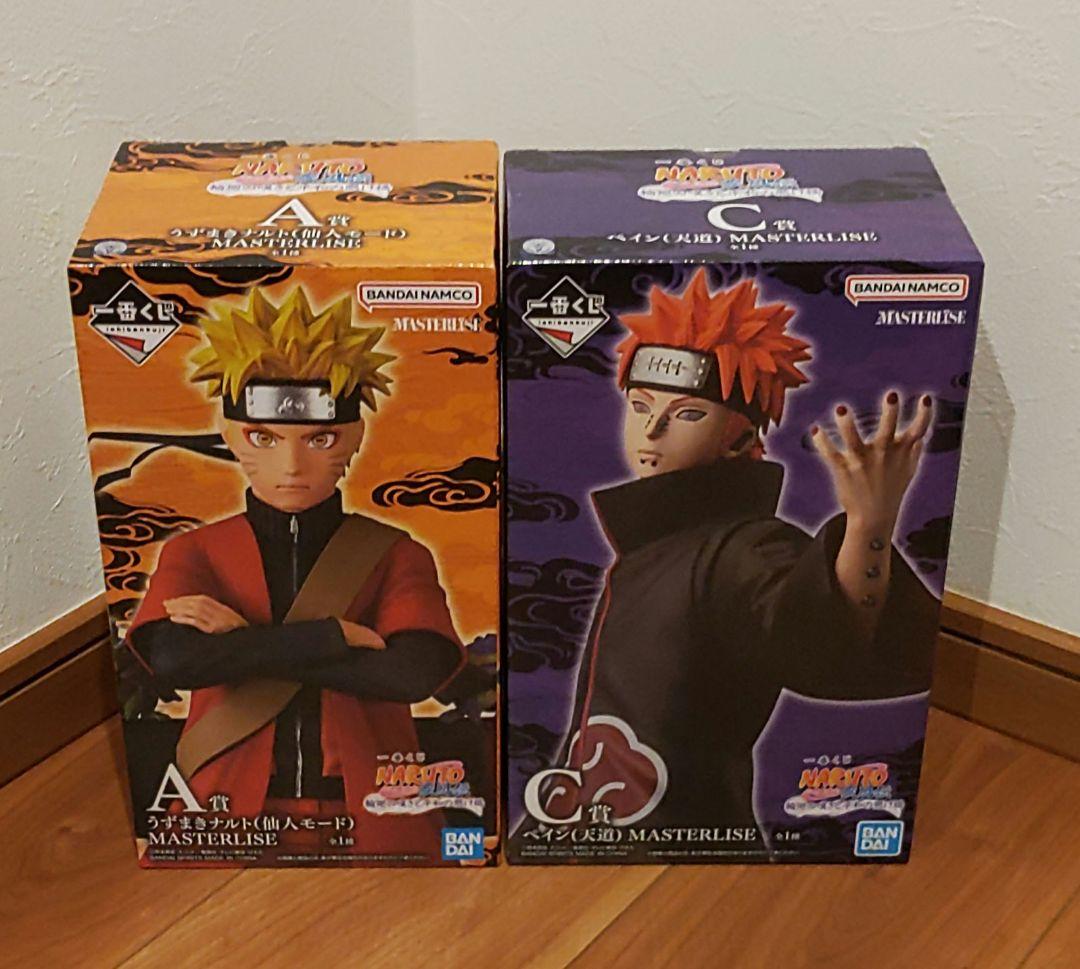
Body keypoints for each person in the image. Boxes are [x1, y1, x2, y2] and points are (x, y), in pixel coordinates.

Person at [536, 269, 940, 835]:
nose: (652, 429)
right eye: (640, 404)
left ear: (741, 437)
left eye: (688, 413)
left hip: (679, 837)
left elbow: (819, 642)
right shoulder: (654, 544)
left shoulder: (745, 547)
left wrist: (868, 528)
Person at [127, 286, 463, 858]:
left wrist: (243, 641)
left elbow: (412, 673)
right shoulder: (196, 551)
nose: (291, 464)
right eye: (263, 438)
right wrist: (331, 638)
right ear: (230, 436)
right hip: (222, 808)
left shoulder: (395, 553)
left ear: (355, 438)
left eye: (319, 439)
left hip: (376, 812)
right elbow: (175, 661)